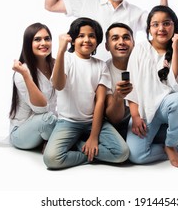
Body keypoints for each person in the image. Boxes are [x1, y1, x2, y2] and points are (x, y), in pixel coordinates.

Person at [125, 5, 178, 168]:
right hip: (145, 111)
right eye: (155, 24)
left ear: (174, 26)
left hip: (168, 108)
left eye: (166, 23)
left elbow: (177, 83)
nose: (161, 28)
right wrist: (135, 117)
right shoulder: (140, 49)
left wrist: (175, 48)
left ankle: (171, 144)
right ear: (149, 28)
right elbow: (132, 85)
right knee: (136, 155)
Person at [43, 17, 129, 169]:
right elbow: (58, 84)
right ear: (73, 40)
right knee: (51, 159)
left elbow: (100, 102)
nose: (87, 40)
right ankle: (85, 151)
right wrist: (61, 50)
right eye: (81, 36)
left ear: (97, 41)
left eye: (92, 36)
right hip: (67, 123)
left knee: (122, 154)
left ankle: (79, 145)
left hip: (94, 123)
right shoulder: (67, 59)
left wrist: (93, 138)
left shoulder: (101, 66)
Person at [9, 22, 57, 150]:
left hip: (50, 126)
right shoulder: (22, 72)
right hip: (22, 133)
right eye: (37, 39)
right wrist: (25, 74)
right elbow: (42, 110)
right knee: (47, 119)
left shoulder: (56, 65)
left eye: (47, 39)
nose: (43, 43)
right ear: (28, 44)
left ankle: (51, 143)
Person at [104, 22, 135, 140]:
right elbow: (114, 119)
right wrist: (118, 97)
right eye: (115, 38)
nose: (121, 42)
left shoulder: (144, 65)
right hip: (115, 125)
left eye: (126, 38)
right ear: (107, 46)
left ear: (133, 43)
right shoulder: (103, 71)